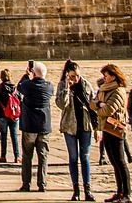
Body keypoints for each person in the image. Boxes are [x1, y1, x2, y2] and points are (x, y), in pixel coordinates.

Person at [56, 61, 97, 201]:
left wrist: (97, 128)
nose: (76, 79)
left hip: (85, 126)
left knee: (85, 158)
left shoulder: (86, 84)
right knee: (73, 158)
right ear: (67, 75)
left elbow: (93, 107)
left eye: (77, 76)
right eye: (73, 76)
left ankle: (88, 189)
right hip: (70, 127)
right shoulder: (62, 85)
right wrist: (67, 88)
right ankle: (76, 190)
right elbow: (61, 105)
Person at [94, 64, 132, 203]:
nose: (104, 78)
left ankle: (127, 194)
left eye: (106, 75)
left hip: (115, 129)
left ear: (113, 76)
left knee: (120, 162)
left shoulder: (118, 91)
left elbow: (107, 110)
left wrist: (98, 106)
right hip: (105, 127)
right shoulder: (103, 89)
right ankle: (120, 192)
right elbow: (92, 103)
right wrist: (98, 104)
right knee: (114, 162)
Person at [18, 60, 54, 192]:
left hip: (29, 126)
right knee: (43, 156)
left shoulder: (28, 85)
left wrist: (26, 75)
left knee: (27, 156)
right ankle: (42, 184)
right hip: (44, 126)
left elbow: (19, 87)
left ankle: (26, 184)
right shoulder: (49, 86)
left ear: (34, 73)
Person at [0, 65, 21, 164]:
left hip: (3, 115)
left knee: (4, 136)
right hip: (14, 115)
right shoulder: (15, 88)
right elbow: (20, 100)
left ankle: (3, 156)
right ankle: (17, 156)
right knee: (14, 136)